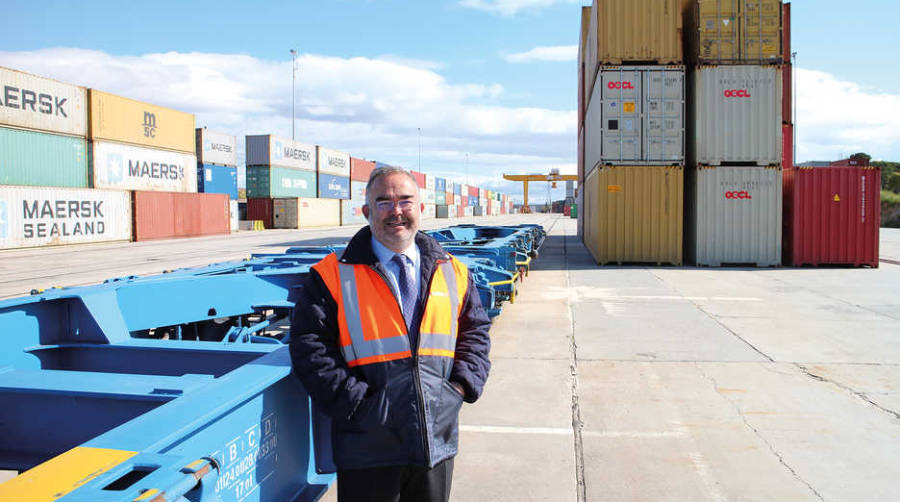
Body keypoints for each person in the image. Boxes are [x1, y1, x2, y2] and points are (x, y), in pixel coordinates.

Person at [289, 166, 492, 502]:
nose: (396, 211)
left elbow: (475, 333)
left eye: (405, 201)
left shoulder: (453, 271)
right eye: (383, 202)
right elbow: (310, 347)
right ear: (367, 212)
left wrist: (459, 388)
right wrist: (358, 405)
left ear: (421, 209)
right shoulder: (332, 275)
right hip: (367, 445)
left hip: (434, 439)